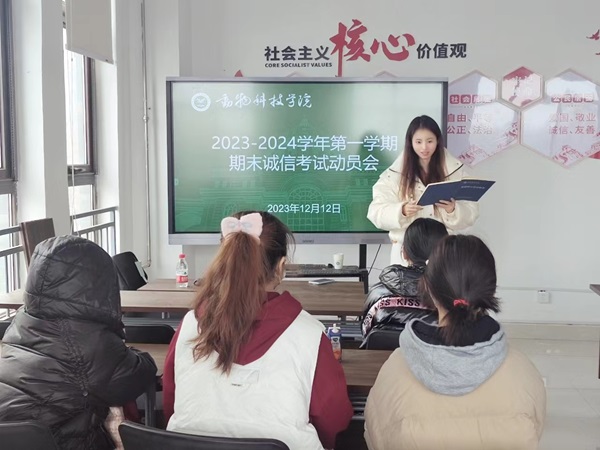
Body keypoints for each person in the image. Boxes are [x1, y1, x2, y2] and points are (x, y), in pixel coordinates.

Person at [163, 211, 353, 450]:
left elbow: (170, 401)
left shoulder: (190, 324)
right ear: (281, 266)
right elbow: (333, 418)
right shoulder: (310, 334)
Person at [364, 235, 546, 450]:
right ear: (491, 290)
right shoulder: (523, 371)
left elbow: (374, 436)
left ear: (429, 288)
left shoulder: (396, 368)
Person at [0, 235, 158, 450]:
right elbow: (142, 372)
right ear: (99, 284)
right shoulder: (89, 342)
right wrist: (118, 341)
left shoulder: (21, 321)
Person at [367, 115, 479, 265]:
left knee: (441, 281)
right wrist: (402, 210)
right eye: (418, 142)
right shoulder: (393, 175)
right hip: (406, 253)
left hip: (443, 252)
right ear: (410, 142)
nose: (424, 148)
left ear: (438, 140)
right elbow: (375, 213)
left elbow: (472, 212)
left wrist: (453, 210)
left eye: (430, 141)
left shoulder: (455, 171)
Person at [361, 218, 447, 348]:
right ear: (445, 254)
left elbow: (365, 332)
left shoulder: (377, 292)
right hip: (435, 360)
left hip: (383, 359)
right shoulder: (453, 298)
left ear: (404, 252)